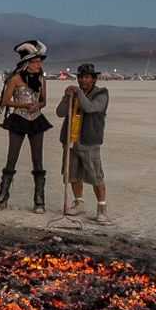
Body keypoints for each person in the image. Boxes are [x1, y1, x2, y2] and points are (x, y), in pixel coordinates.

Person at [0, 40, 53, 214]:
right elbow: (5, 101)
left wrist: (38, 106)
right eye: (35, 62)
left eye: (40, 62)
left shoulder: (41, 79)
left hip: (37, 119)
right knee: (12, 157)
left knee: (37, 158)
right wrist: (24, 106)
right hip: (19, 118)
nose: (38, 65)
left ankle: (39, 198)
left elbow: (43, 101)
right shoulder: (16, 79)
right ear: (27, 63)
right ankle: (3, 194)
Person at [56, 63, 110, 223]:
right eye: (80, 77)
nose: (83, 80)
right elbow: (59, 113)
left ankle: (102, 207)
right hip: (70, 140)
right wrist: (67, 98)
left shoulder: (101, 94)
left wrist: (78, 93)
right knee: (72, 174)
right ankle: (78, 203)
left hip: (89, 141)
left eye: (86, 77)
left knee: (96, 175)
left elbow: (90, 108)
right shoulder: (73, 95)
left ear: (93, 79)